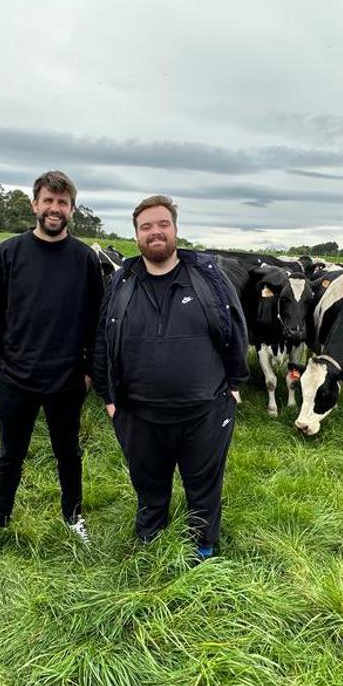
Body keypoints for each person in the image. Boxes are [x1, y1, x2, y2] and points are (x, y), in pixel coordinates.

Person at [93, 195, 248, 562]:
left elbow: (234, 329)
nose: (155, 232)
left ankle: (203, 550)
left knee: (204, 487)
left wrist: (236, 385)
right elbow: (101, 340)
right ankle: (151, 546)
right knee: (149, 487)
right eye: (146, 227)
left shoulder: (207, 278)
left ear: (175, 229)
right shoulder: (121, 283)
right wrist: (109, 397)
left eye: (163, 224)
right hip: (138, 413)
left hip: (204, 411)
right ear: (136, 235)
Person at [0, 171, 104, 563]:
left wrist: (89, 373)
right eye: (48, 201)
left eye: (62, 203)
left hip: (66, 380)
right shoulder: (9, 255)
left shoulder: (84, 260)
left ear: (72, 209)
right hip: (15, 379)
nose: (54, 209)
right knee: (10, 454)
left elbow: (97, 323)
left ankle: (73, 516)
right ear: (35, 205)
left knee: (68, 452)